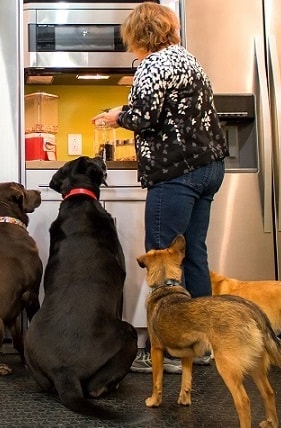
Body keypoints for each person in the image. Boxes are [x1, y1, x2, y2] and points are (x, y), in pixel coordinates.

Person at [92, 2, 228, 374]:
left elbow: (143, 116)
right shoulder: (187, 59)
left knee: (162, 260)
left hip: (176, 171)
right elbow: (168, 110)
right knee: (193, 254)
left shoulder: (152, 65)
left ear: (138, 34)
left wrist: (117, 115)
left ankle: (168, 350)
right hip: (208, 167)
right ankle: (201, 346)